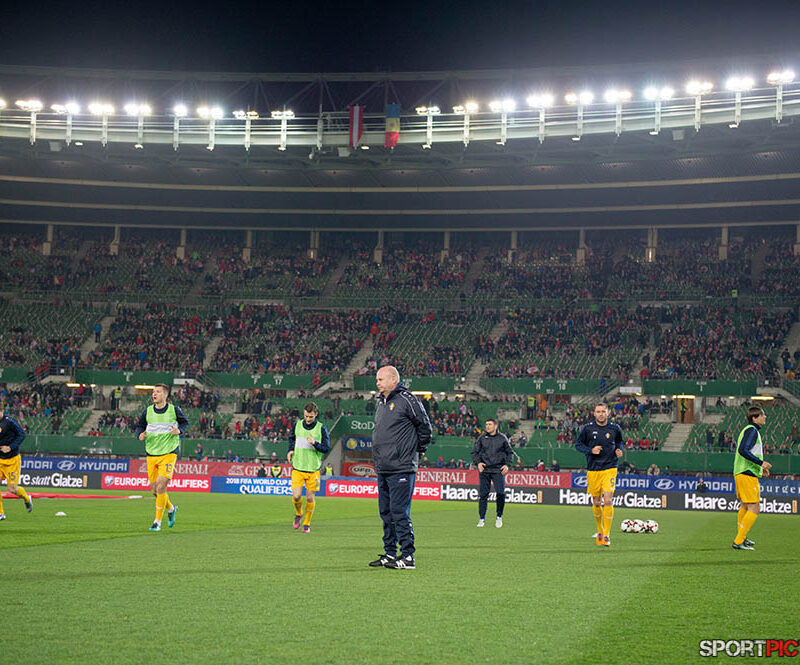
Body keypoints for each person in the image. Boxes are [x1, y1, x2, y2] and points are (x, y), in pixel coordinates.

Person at [368, 365, 431, 570]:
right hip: (384, 466)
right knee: (386, 512)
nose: (377, 383)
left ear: (393, 380)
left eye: (380, 379)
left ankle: (408, 556)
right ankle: (389, 553)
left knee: (399, 512)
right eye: (377, 379)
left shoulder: (407, 400)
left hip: (401, 466)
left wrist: (417, 450)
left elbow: (425, 427)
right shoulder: (381, 402)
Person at [134, 384, 188, 532]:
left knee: (161, 485)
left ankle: (157, 522)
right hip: (151, 453)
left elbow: (185, 422)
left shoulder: (174, 410)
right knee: (154, 490)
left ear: (165, 395)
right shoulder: (147, 411)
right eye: (153, 392)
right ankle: (171, 508)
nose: (154, 394)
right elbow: (140, 426)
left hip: (168, 453)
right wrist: (140, 434)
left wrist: (179, 430)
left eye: (157, 392)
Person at [575, 403, 623, 547]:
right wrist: (590, 450)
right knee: (596, 502)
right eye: (598, 411)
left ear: (608, 413)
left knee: (607, 500)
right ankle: (600, 529)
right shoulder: (587, 428)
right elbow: (578, 445)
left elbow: (619, 442)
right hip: (593, 469)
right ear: (594, 413)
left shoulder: (615, 428)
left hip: (610, 468)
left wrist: (619, 450)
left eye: (603, 411)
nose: (601, 414)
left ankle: (607, 534)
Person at [732, 406, 772, 551]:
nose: (765, 417)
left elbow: (746, 451)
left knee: (745, 505)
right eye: (762, 415)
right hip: (746, 473)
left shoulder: (748, 430)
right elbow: (743, 450)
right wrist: (761, 463)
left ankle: (742, 537)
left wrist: (760, 468)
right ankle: (739, 540)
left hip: (741, 471)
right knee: (755, 507)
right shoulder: (752, 430)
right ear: (755, 418)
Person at [287, 402, 330, 534]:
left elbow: (326, 448)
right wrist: (290, 450)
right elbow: (291, 439)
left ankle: (307, 523)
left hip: (313, 469)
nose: (308, 419)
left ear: (316, 414)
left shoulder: (321, 428)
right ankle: (299, 513)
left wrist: (315, 443)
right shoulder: (297, 425)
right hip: (298, 467)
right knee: (296, 496)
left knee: (310, 498)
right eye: (306, 416)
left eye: (310, 417)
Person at [471, 418, 513, 528]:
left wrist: (507, 465)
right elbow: (474, 452)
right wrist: (478, 463)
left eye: (490, 424)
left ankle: (499, 516)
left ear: (495, 426)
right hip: (485, 470)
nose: (487, 426)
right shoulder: (482, 438)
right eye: (486, 424)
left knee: (501, 493)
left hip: (498, 470)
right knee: (483, 495)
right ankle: (482, 519)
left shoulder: (502, 438)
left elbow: (510, 453)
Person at [0, 414, 33, 519]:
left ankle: (27, 498)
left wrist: (10, 447)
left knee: (12, 489)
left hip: (12, 460)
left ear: (1, 411)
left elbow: (22, 435)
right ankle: (1, 513)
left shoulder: (10, 421)